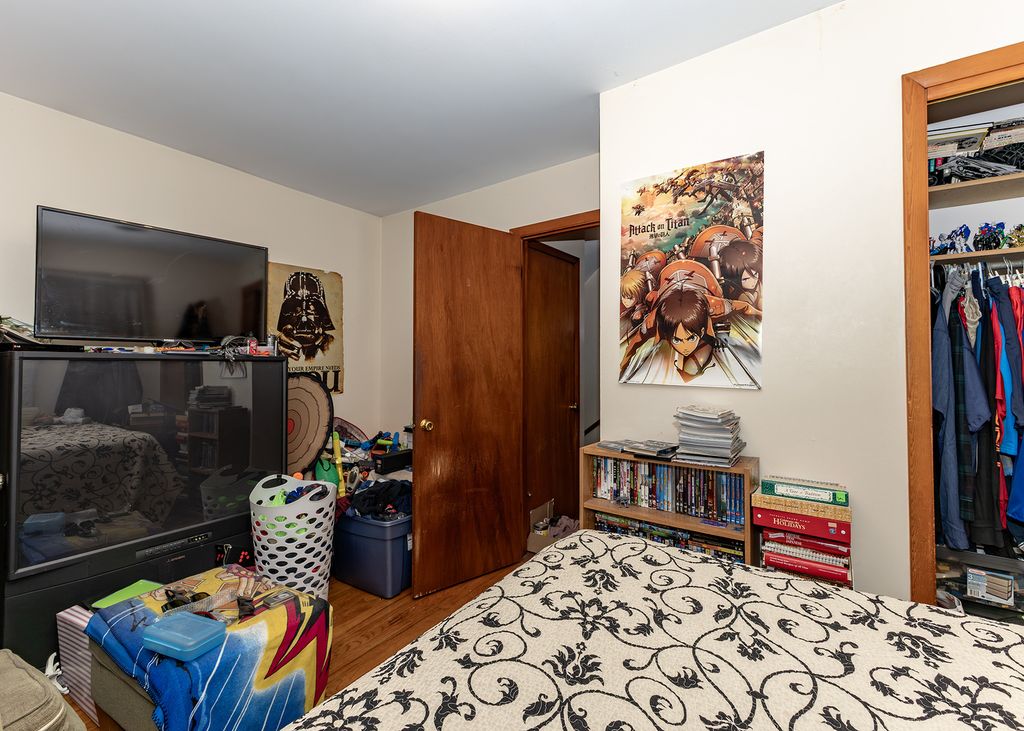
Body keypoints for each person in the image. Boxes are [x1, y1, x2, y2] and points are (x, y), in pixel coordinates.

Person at [718, 239, 763, 310]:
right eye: (745, 279)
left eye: (755, 274)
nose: (753, 281)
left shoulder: (761, 286)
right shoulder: (738, 296)